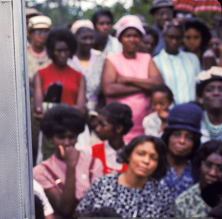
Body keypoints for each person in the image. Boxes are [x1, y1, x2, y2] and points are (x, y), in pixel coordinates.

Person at [77, 135, 175, 219]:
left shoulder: (162, 192)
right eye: (141, 154)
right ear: (129, 155)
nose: (146, 161)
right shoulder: (103, 184)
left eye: (153, 158)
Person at [33, 104, 103, 219]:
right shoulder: (41, 171)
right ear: (51, 138)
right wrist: (71, 167)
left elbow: (97, 209)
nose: (66, 143)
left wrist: (70, 215)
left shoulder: (93, 163)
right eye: (61, 137)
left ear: (78, 136)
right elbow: (65, 210)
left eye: (71, 137)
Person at [101, 15, 163, 143]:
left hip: (145, 126)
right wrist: (144, 87)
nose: (132, 39)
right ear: (120, 38)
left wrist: (128, 80)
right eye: (128, 36)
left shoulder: (146, 58)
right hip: (119, 127)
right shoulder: (112, 60)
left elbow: (158, 83)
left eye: (136, 36)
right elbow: (109, 89)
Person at [34, 27, 87, 161]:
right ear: (52, 51)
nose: (63, 54)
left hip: (74, 132)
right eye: (59, 51)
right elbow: (38, 108)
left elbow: (81, 108)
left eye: (66, 50)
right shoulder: (41, 75)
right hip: (51, 134)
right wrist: (69, 109)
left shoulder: (79, 76)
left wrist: (54, 111)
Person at [153, 20, 201, 104]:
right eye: (171, 37)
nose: (174, 41)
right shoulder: (155, 61)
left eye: (178, 38)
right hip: (169, 113)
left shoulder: (193, 59)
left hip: (191, 111)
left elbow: (199, 85)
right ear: (164, 36)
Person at [161, 103, 203, 198]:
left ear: (194, 142)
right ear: (168, 137)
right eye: (176, 135)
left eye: (188, 138)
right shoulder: (155, 164)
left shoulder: (198, 168)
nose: (182, 141)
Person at [27, 15, 53, 166]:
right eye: (38, 31)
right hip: (29, 105)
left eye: (45, 32)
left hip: (49, 103)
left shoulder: (53, 54)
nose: (42, 36)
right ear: (30, 33)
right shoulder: (22, 53)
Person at [176, 140, 222, 217]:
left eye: (220, 168)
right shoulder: (183, 202)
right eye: (208, 165)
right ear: (199, 165)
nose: (212, 173)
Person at [68, 19, 104, 111]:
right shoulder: (68, 59)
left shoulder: (100, 57)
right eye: (84, 38)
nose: (88, 42)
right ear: (75, 38)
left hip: (96, 110)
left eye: (91, 38)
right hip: (72, 109)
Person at [91, 102, 134, 175]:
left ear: (118, 128)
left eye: (102, 125)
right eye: (98, 124)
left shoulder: (132, 155)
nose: (97, 129)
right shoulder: (91, 152)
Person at [196, 66, 222, 142]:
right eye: (209, 90)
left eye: (221, 90)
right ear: (202, 95)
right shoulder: (196, 119)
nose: (216, 93)